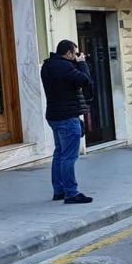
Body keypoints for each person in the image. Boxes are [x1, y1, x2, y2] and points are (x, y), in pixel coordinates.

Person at [41, 40, 93, 204]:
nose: (75, 56)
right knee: (69, 157)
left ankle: (59, 191)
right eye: (74, 53)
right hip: (67, 117)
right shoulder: (65, 67)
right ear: (69, 53)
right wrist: (82, 63)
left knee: (59, 154)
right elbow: (85, 80)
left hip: (53, 115)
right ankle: (71, 193)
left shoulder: (47, 66)